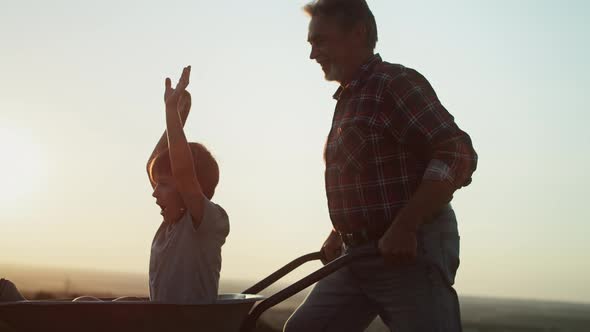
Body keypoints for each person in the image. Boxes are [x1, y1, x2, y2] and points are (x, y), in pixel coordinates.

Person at [284, 1, 478, 331]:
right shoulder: (349, 99)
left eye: (320, 41)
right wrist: (338, 233)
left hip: (409, 253)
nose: (313, 54)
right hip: (356, 256)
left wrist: (406, 225)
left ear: (358, 32)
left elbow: (456, 152)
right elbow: (370, 175)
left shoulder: (394, 83)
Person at [147, 66, 230, 304]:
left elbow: (183, 173)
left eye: (162, 184)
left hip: (190, 325)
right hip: (165, 323)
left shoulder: (205, 223)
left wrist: (171, 112)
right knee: (85, 303)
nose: (154, 192)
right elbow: (153, 167)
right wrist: (178, 122)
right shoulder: (170, 226)